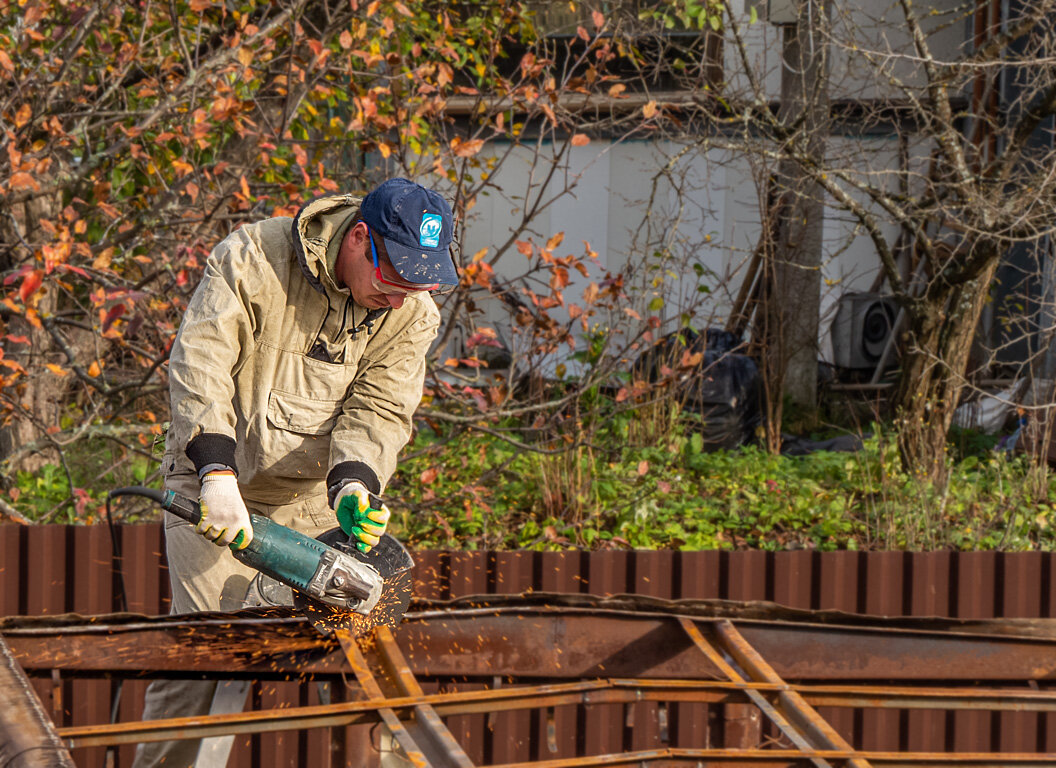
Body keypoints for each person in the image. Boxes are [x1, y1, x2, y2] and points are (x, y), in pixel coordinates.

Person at [132, 178, 457, 768]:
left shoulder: (409, 312)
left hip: (311, 498)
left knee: (355, 645)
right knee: (213, 652)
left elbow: (380, 407)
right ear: (360, 238)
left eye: (418, 284)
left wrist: (355, 483)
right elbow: (200, 364)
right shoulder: (254, 257)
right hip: (213, 481)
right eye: (394, 279)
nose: (402, 297)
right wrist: (216, 473)